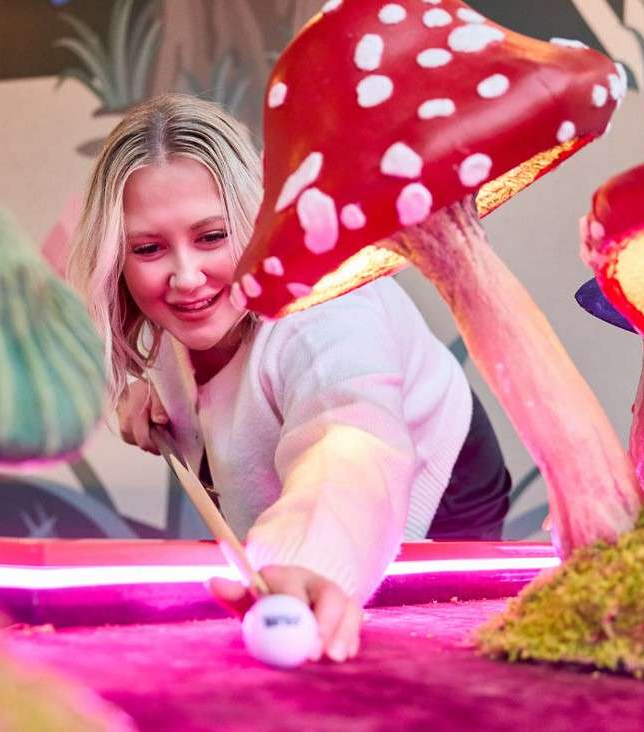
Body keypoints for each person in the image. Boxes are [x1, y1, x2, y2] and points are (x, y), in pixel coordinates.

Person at [67, 93, 511, 663]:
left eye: (211, 237)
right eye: (149, 248)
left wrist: (311, 557)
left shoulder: (326, 313)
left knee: (420, 653)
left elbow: (349, 440)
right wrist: (146, 393)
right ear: (118, 261)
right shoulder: (175, 313)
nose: (185, 275)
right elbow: (210, 389)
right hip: (308, 492)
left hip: (440, 468)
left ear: (257, 223)